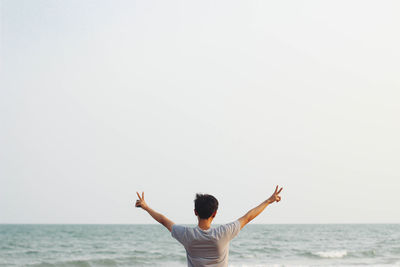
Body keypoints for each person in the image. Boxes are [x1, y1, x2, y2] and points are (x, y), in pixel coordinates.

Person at [135, 186, 283, 267]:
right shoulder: (224, 233)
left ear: (195, 212)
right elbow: (249, 216)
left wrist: (146, 207)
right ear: (215, 213)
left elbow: (163, 220)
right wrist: (269, 201)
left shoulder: (186, 235)